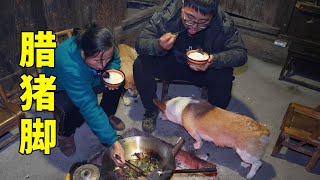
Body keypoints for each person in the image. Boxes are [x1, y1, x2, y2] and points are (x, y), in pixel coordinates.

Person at [133, 0, 247, 133]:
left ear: (213, 15)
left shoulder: (223, 22)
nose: (194, 27)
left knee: (224, 75)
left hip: (203, 70)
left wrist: (214, 60)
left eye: (204, 22)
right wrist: (158, 45)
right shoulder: (166, 15)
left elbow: (241, 53)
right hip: (171, 64)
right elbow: (141, 42)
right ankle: (151, 109)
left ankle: (211, 116)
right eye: (189, 18)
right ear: (182, 5)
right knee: (141, 63)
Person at [42, 24, 125, 165]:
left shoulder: (105, 47)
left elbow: (114, 61)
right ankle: (65, 134)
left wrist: (111, 71)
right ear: (83, 52)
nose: (103, 65)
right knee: (70, 107)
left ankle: (106, 115)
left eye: (106, 58)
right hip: (58, 86)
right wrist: (113, 141)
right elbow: (88, 106)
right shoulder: (70, 66)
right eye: (98, 60)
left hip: (89, 78)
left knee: (118, 79)